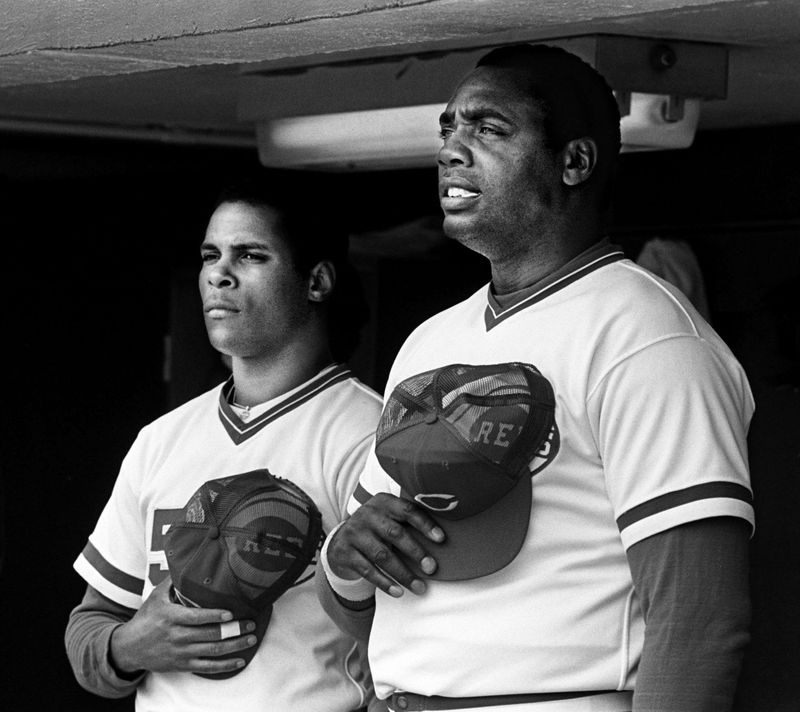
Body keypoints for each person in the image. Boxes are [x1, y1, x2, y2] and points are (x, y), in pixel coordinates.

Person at [317, 44, 754, 712]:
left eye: (488, 129)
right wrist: (346, 559)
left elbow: (699, 620)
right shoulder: (431, 341)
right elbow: (378, 604)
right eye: (448, 129)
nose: (451, 151)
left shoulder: (646, 337)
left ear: (574, 161)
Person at [65, 181, 384, 712]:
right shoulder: (161, 439)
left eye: (251, 255)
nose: (219, 274)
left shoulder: (369, 433)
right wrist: (130, 646)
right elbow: (89, 632)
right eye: (210, 255)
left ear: (317, 281)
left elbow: (415, 640)